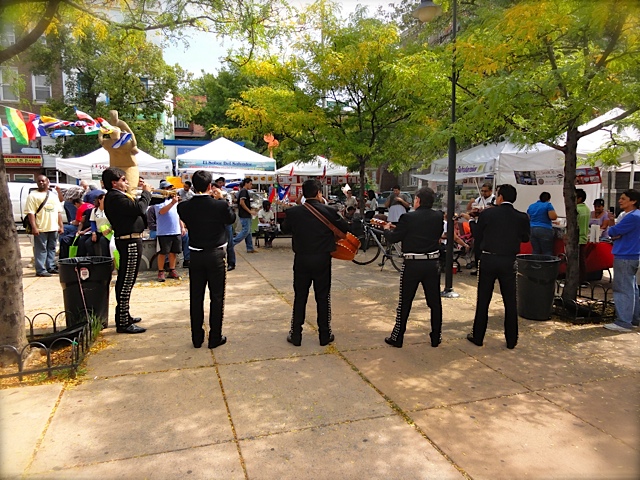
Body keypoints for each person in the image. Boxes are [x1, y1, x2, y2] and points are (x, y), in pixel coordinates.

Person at [281, 179, 349, 346]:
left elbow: (284, 229)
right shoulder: (329, 211)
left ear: (303, 194)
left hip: (302, 259)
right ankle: (324, 335)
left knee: (300, 296)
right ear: (319, 193)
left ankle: (296, 334)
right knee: (323, 297)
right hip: (322, 259)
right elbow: (346, 228)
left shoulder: (294, 212)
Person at [177, 170, 236, 348]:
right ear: (210, 186)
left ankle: (197, 338)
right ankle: (215, 337)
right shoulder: (220, 205)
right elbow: (231, 219)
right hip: (216, 254)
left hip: (195, 254)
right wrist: (222, 199)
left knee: (196, 297)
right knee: (217, 297)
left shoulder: (183, 206)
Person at [467, 184, 530, 349]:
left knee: (483, 299)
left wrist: (472, 221)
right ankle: (511, 339)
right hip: (509, 260)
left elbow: (477, 234)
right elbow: (525, 238)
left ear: (500, 197)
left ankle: (478, 335)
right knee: (510, 300)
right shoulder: (522, 217)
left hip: (489, 258)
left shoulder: (488, 214)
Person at [382, 187, 444, 348]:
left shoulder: (408, 217)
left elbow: (395, 238)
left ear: (418, 200)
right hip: (432, 263)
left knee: (405, 301)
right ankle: (436, 336)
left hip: (413, 264)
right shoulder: (438, 216)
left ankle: (398, 336)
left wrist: (386, 230)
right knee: (434, 302)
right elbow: (431, 233)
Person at [103, 167, 152, 334]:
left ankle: (125, 315)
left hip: (131, 240)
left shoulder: (119, 196)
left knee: (127, 279)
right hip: (128, 241)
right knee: (126, 280)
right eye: (123, 180)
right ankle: (123, 321)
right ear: (114, 183)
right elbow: (139, 208)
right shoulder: (115, 197)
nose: (126, 183)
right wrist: (146, 193)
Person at [603, 189, 640, 332]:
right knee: (631, 288)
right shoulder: (633, 215)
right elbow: (615, 232)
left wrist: (614, 230)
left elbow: (612, 231)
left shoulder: (632, 217)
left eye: (624, 198)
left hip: (625, 255)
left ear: (633, 201)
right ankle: (633, 318)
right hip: (631, 254)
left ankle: (623, 321)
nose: (620, 201)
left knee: (623, 289)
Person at [25, 175, 64, 277]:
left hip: (53, 227)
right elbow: (30, 213)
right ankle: (41, 270)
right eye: (39, 181)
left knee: (52, 248)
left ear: (48, 182)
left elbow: (58, 212)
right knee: (41, 249)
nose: (41, 183)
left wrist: (61, 226)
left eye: (43, 181)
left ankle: (51, 267)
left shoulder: (53, 195)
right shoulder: (32, 196)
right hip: (41, 228)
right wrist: (34, 227)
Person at [154, 182, 184, 282]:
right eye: (168, 188)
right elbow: (162, 211)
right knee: (163, 252)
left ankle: (172, 269)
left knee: (173, 252)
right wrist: (172, 203)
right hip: (164, 232)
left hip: (175, 230)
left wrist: (182, 227)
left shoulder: (174, 201)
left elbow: (178, 215)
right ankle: (161, 271)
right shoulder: (158, 200)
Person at [467, 182, 495, 275]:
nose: (483, 193)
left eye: (485, 191)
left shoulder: (494, 200)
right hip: (478, 224)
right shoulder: (479, 199)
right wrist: (472, 205)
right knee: (477, 247)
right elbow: (469, 209)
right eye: (482, 191)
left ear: (490, 191)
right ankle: (478, 267)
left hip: (489, 227)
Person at [215, 177, 237, 271]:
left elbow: (228, 207)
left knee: (230, 243)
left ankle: (231, 262)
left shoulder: (226, 194)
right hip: (216, 223)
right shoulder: (211, 197)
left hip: (226, 222)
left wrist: (221, 198)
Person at [527, 192, 558, 256]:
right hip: (544, 229)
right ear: (548, 199)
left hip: (532, 229)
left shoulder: (532, 206)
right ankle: (546, 263)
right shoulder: (548, 205)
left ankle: (534, 262)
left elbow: (528, 217)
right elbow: (553, 217)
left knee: (536, 250)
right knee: (547, 251)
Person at [233, 178, 257, 253]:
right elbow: (242, 203)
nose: (251, 185)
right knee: (245, 231)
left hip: (246, 214)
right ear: (246, 183)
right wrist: (249, 211)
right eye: (250, 184)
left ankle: (250, 248)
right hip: (244, 214)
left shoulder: (243, 191)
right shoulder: (243, 191)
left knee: (248, 231)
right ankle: (232, 242)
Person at [576, 188, 590, 282]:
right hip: (584, 237)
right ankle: (582, 279)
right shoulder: (587, 209)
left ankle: (578, 280)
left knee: (576, 261)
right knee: (582, 260)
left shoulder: (576, 210)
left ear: (579, 198)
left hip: (576, 238)